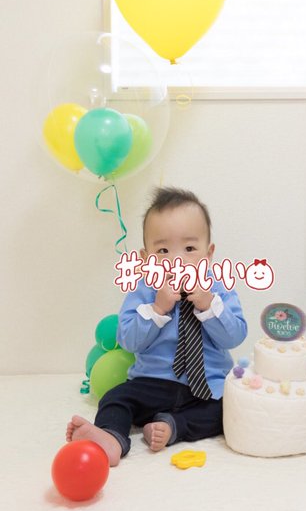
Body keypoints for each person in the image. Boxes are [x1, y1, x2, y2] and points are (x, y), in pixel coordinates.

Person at [66, 187, 247, 466]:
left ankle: (172, 426)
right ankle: (111, 438)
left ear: (209, 253)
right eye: (163, 250)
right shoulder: (144, 290)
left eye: (189, 248)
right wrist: (157, 309)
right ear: (145, 257)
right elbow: (128, 340)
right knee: (115, 398)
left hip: (206, 387)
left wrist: (209, 305)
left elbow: (234, 336)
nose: (177, 260)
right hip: (151, 383)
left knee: (229, 411)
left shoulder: (219, 289)